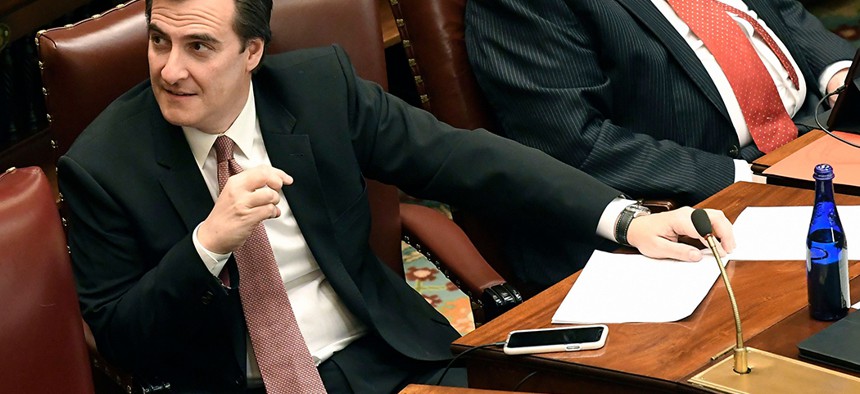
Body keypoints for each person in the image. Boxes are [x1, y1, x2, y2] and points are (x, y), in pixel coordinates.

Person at [58, 0, 736, 392]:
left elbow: (463, 158)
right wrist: (207, 245)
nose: (170, 69)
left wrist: (626, 219)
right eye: (158, 41)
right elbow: (125, 339)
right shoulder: (101, 166)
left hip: (384, 360)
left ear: (253, 53)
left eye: (199, 47)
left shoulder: (319, 90)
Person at [465, 0, 856, 206]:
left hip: (815, 137)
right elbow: (577, 145)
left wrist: (840, 76)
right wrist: (746, 180)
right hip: (695, 193)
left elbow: (781, 12)